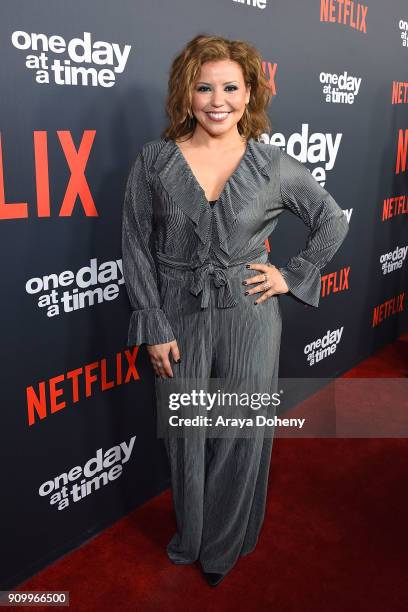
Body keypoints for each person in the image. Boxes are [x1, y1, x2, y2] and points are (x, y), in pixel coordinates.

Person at [121, 34, 349, 587]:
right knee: (187, 433)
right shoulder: (155, 160)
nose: (217, 99)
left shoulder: (272, 163)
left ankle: (221, 548)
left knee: (239, 433)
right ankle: (191, 535)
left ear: (250, 94)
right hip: (177, 314)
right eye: (204, 87)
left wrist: (289, 275)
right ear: (186, 93)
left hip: (250, 315)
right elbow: (135, 245)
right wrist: (152, 323)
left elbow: (332, 218)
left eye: (230, 87)